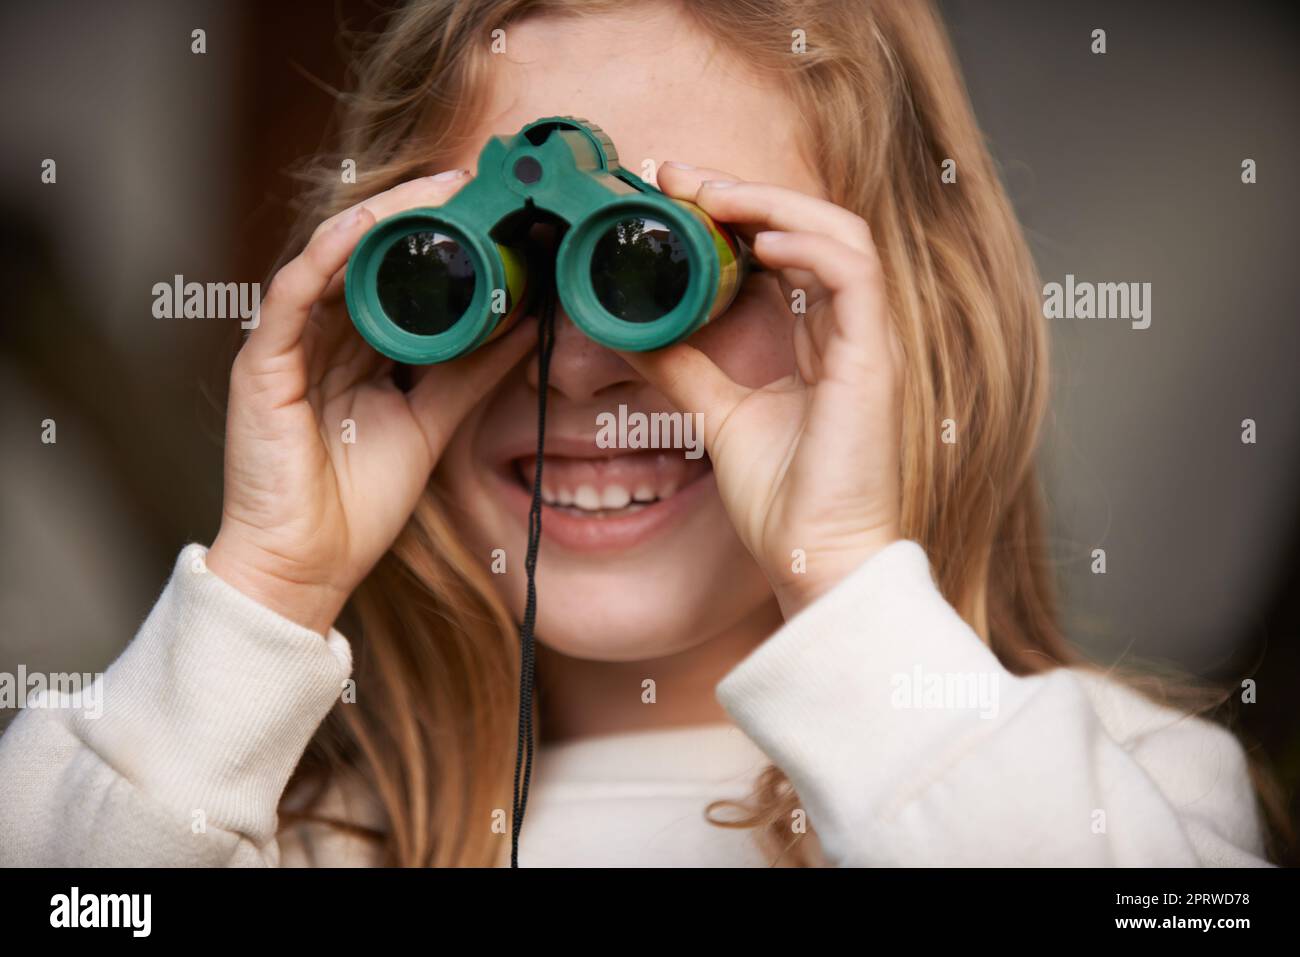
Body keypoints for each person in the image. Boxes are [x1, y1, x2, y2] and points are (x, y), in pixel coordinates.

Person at [0, 0, 1270, 867]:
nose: (589, 365)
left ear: (901, 323)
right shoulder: (266, 831)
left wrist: (844, 580)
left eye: (664, 263)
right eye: (485, 272)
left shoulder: (1126, 787)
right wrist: (263, 587)